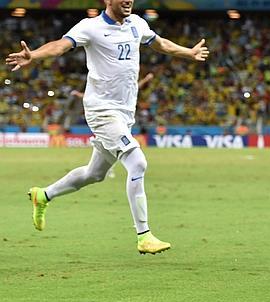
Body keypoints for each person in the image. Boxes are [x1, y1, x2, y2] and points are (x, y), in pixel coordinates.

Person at [5, 0, 209, 254]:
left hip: (124, 114)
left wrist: (188, 53)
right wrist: (33, 55)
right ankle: (144, 235)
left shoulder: (137, 23)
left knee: (95, 174)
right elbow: (60, 46)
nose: (128, 0)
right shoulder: (90, 27)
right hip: (101, 111)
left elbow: (161, 44)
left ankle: (43, 195)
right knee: (137, 162)